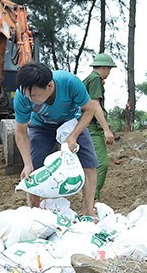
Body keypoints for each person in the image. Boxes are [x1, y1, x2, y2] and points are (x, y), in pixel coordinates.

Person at [13, 62, 112, 218]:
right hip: (41, 126)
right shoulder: (23, 97)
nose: (30, 100)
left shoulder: (69, 83)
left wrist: (73, 136)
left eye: (35, 96)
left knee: (90, 163)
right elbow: (20, 132)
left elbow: (89, 109)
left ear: (50, 86)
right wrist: (27, 163)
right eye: (27, 95)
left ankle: (88, 211)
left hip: (71, 122)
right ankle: (34, 214)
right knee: (33, 169)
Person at [82, 53, 118, 202]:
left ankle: (90, 198)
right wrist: (106, 130)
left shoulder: (89, 80)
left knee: (92, 163)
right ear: (104, 67)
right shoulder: (95, 79)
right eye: (109, 69)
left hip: (85, 127)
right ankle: (92, 199)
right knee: (100, 164)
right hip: (91, 128)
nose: (109, 73)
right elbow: (95, 105)